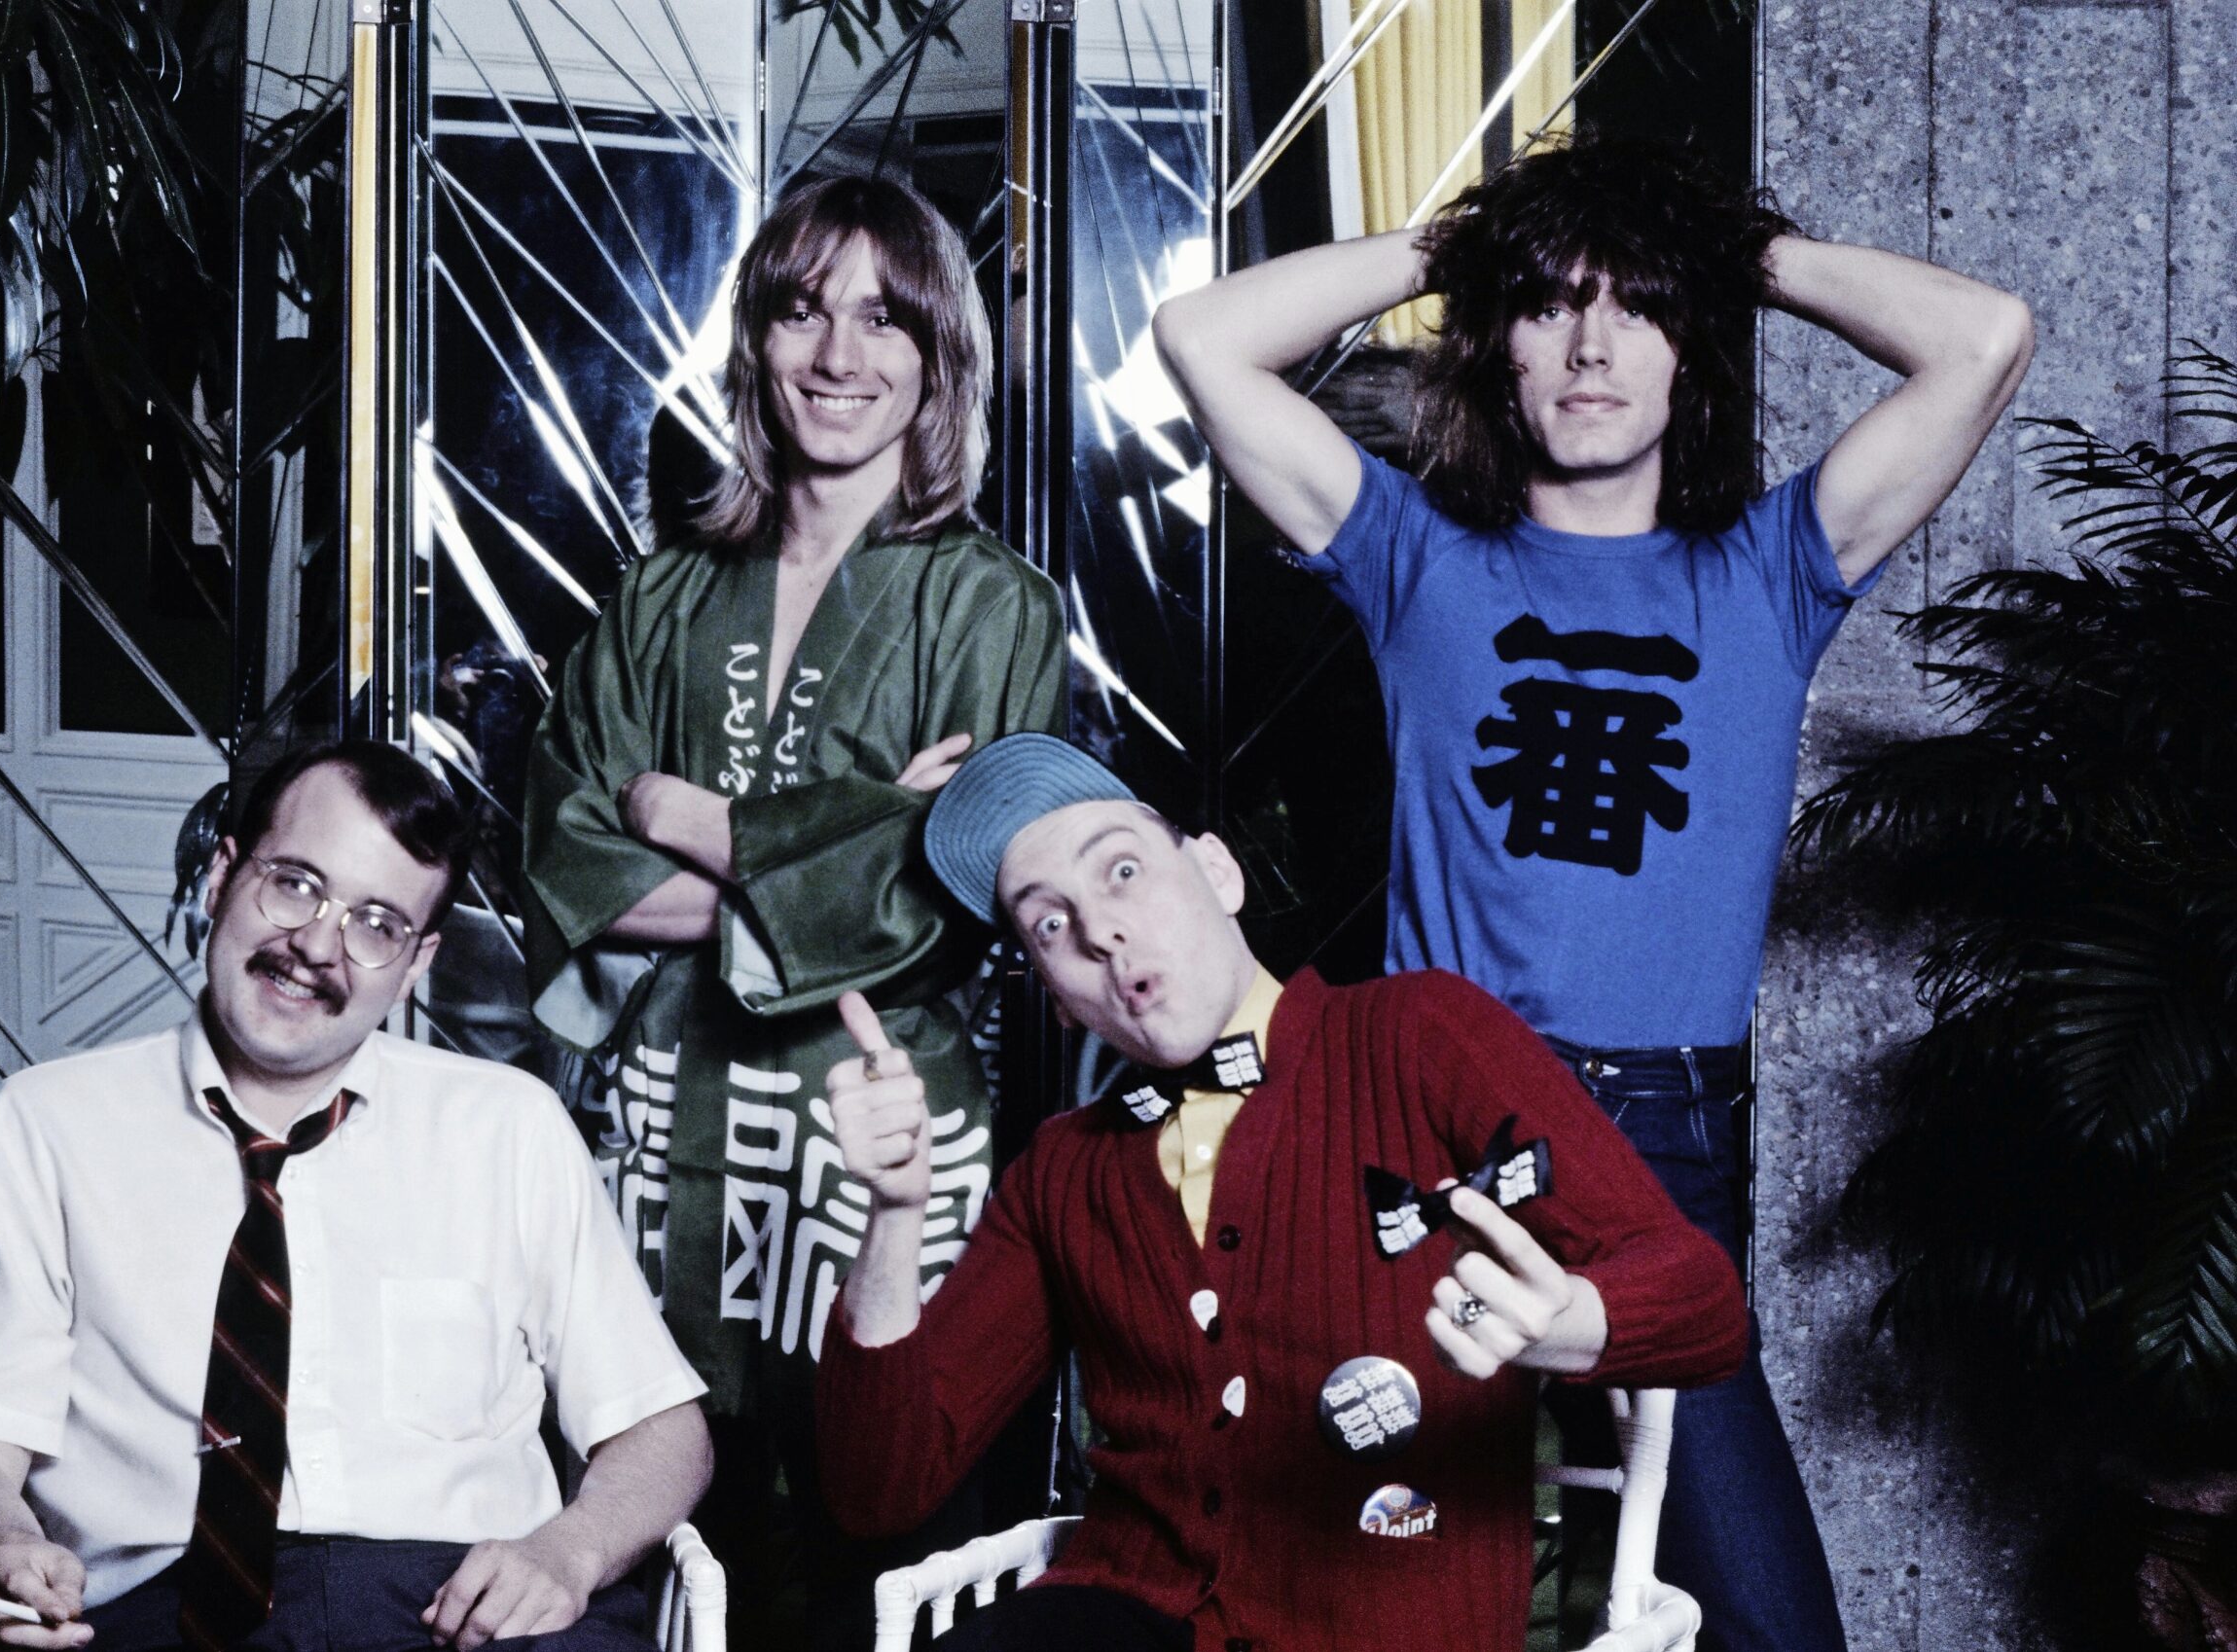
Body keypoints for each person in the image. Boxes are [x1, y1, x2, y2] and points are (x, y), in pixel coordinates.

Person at [1148, 133, 2037, 1652]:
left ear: (1689, 351)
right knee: (1365, 1595)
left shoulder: (1772, 571)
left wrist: (1715, 248)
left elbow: (1988, 338)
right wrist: (1472, 243)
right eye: (1552, 304)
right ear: (1499, 346)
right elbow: (1201, 336)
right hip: (1428, 1134)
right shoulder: (1413, 560)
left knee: (1765, 1621)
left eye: (1635, 306)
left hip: (1659, 1145)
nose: (1592, 340)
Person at [812, 731, 1748, 1652]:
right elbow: (877, 1490)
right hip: (1125, 1611)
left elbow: (1704, 1305)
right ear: (1055, 994)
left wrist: (1567, 1322)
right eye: (1048, 924)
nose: (1099, 930)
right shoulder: (1065, 1170)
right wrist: (894, 1216)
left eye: (1123, 871)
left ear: (1218, 873)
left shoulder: (1419, 1033)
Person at [520, 174, 1065, 1650]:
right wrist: (845, 830)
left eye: (887, 317)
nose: (840, 352)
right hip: (667, 1118)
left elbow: (950, 889)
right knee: (653, 1502)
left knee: (872, 1512)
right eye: (800, 308)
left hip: (876, 1129)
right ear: (755, 341)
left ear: (941, 354)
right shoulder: (665, 588)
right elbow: (561, 841)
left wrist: (689, 816)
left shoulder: (992, 604)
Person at [0, 742, 713, 1652]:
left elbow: (666, 1433)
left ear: (416, 963)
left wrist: (568, 1552)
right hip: (163, 1609)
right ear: (224, 874)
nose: (316, 946)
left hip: (469, 1611)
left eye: (376, 923)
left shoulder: (510, 1128)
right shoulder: (47, 1125)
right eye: (296, 884)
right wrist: (5, 1546)